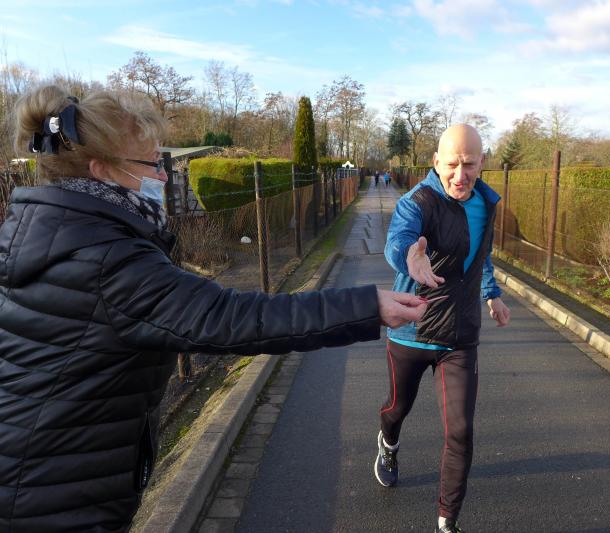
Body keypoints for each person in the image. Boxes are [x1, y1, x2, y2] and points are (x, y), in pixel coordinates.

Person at [0, 85, 427, 532]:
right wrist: (367, 305)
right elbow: (231, 318)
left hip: (38, 480)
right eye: (151, 164)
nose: (163, 176)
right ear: (101, 170)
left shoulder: (53, 236)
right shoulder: (107, 258)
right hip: (52, 504)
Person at [374, 124, 511, 533]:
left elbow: (480, 252)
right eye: (452, 164)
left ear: (482, 163)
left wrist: (491, 293)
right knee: (396, 409)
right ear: (436, 162)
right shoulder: (417, 202)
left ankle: (447, 522)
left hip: (459, 335)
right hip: (411, 331)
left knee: (461, 432)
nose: (460, 175)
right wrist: (410, 257)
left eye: (469, 165)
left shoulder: (485, 202)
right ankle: (388, 442)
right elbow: (398, 239)